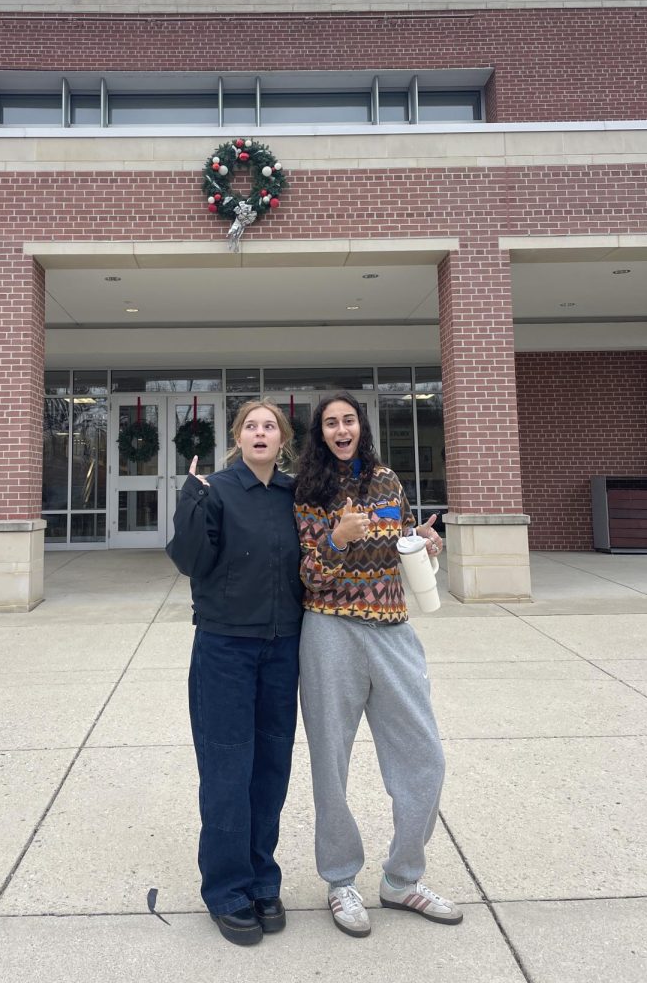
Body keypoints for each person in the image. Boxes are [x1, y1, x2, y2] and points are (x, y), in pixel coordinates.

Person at [293, 391, 461, 938]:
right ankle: (341, 881)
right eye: (330, 424)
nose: (341, 430)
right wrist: (337, 540)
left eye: (348, 421)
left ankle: (401, 879)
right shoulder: (309, 489)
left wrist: (424, 543)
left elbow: (399, 541)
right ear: (320, 434)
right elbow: (310, 574)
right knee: (330, 763)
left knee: (424, 757)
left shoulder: (388, 480)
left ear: (361, 427)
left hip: (392, 629)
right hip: (329, 630)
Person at [166, 400, 303, 947]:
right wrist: (191, 502)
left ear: (283, 438)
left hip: (283, 647)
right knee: (227, 771)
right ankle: (226, 889)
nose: (261, 432)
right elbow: (190, 562)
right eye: (251, 426)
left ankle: (262, 878)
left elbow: (329, 551)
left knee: (270, 769)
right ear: (238, 438)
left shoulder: (296, 494)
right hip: (225, 649)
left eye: (270, 426)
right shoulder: (216, 489)